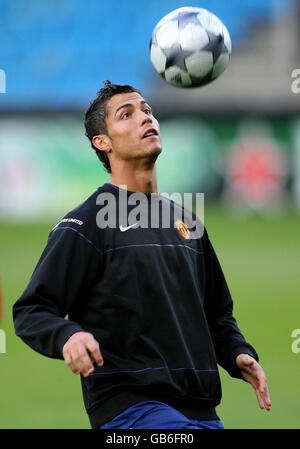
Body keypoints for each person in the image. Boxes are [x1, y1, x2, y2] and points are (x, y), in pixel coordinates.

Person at [13, 80, 271, 430]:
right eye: (127, 114)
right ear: (102, 142)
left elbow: (216, 313)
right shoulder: (85, 223)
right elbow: (32, 309)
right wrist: (68, 336)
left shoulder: (187, 221)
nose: (145, 118)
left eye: (147, 110)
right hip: (131, 409)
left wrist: (237, 353)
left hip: (202, 408)